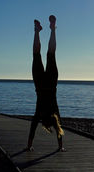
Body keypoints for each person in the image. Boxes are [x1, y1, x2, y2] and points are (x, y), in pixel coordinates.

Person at [27, 15, 65, 152]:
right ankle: (37, 30)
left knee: (51, 54)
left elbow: (59, 130)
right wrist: (29, 145)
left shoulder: (54, 113)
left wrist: (60, 146)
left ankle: (53, 29)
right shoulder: (40, 114)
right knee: (36, 54)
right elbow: (32, 128)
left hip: (51, 82)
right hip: (39, 84)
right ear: (44, 122)